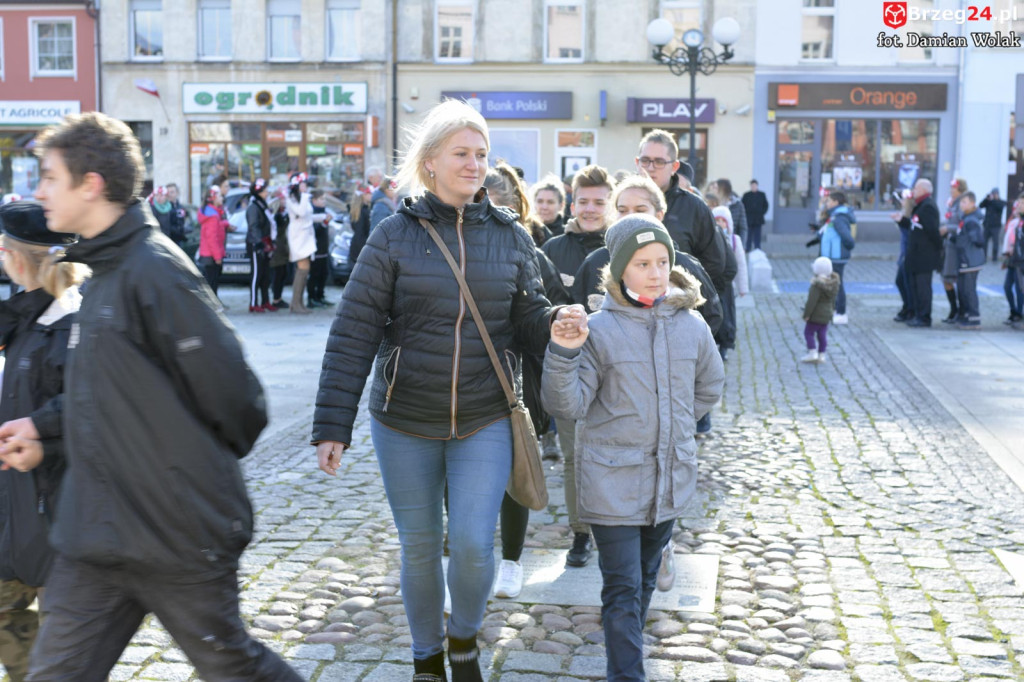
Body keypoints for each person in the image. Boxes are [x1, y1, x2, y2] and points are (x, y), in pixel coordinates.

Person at [0, 111, 301, 681]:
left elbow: (240, 403)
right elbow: (104, 396)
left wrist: (178, 478)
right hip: (93, 537)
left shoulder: (156, 272)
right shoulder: (104, 272)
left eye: (49, 177)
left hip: (173, 535)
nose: (38, 191)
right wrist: (43, 431)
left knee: (233, 665)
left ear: (90, 185)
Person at [312, 100, 584, 682]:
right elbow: (353, 332)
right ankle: (426, 656)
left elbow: (529, 316)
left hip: (484, 417)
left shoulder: (511, 238)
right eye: (462, 153)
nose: (474, 164)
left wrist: (556, 321)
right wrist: (332, 425)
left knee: (472, 545)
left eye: (481, 154)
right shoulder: (392, 237)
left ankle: (463, 637)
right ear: (430, 161)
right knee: (418, 547)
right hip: (403, 419)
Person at [542, 213, 724, 682]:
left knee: (644, 580)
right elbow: (568, 403)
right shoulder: (599, 329)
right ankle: (627, 674)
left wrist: (675, 427)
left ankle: (628, 657)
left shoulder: (692, 326)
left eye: (663, 261)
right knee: (622, 586)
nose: (656, 272)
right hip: (611, 482)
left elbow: (709, 386)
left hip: (668, 479)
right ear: (620, 268)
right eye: (644, 263)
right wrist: (564, 352)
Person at [0, 202, 86, 682]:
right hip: (15, 516)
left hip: (57, 522)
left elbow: (90, 415)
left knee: (62, 663)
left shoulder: (70, 323)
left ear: (13, 257)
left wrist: (39, 440)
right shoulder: (25, 315)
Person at [480, 162, 569, 600]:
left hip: (517, 378)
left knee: (516, 473)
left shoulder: (532, 254)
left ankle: (511, 561)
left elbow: (552, 313)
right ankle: (459, 554)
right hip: (464, 377)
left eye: (505, 208)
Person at [541, 164, 616, 569]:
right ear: (573, 202)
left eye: (599, 202)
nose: (590, 209)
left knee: (616, 456)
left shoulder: (624, 249)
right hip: (572, 372)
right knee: (574, 457)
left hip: (617, 374)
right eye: (583, 201)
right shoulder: (554, 249)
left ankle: (616, 531)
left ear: (610, 204)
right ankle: (580, 533)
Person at [635, 129, 728, 296]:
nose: (650, 168)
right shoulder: (622, 202)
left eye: (659, 162)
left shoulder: (695, 208)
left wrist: (685, 294)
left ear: (674, 166)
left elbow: (714, 264)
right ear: (637, 162)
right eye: (645, 160)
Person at [893, 179, 943, 328]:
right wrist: (902, 221)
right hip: (915, 255)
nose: (913, 191)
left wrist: (938, 250)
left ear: (923, 190)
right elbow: (915, 227)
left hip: (924, 256)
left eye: (916, 188)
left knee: (923, 288)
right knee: (913, 286)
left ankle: (924, 317)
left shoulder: (928, 207)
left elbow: (932, 232)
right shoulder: (920, 206)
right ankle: (916, 314)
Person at [712, 206, 748, 361]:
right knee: (714, 315)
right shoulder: (709, 240)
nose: (720, 223)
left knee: (727, 317)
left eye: (723, 221)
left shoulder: (734, 240)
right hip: (712, 284)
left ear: (728, 224)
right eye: (717, 220)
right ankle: (713, 345)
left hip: (727, 286)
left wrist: (743, 287)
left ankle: (724, 346)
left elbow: (741, 264)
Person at [816, 190, 855, 325]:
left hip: (836, 257)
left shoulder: (839, 217)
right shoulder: (833, 216)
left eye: (828, 201)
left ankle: (841, 312)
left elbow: (848, 238)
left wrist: (846, 249)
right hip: (831, 256)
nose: (826, 203)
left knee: (837, 284)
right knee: (831, 284)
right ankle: (833, 309)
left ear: (836, 202)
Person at [950, 191, 985, 329]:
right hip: (965, 260)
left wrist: (962, 240)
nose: (961, 205)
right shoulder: (965, 218)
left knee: (969, 290)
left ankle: (974, 318)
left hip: (970, 260)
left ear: (972, 203)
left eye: (964, 202)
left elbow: (978, 240)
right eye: (961, 202)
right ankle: (966, 315)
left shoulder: (971, 220)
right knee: (963, 290)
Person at [246, 178, 277, 313]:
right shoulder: (253, 207)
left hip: (265, 242)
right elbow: (254, 226)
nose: (267, 192)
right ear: (258, 192)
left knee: (265, 274)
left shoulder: (262, 205)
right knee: (256, 274)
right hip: (256, 244)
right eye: (265, 190)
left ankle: (265, 301)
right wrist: (259, 242)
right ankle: (253, 303)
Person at [197, 185, 234, 301]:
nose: (221, 198)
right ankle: (212, 309)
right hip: (211, 256)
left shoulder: (213, 214)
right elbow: (212, 238)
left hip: (208, 255)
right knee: (212, 284)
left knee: (212, 284)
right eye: (219, 196)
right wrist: (218, 256)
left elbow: (215, 227)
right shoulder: (212, 216)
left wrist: (225, 224)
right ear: (213, 198)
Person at [801, 257, 841, 363]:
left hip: (816, 315)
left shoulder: (816, 285)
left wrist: (806, 314)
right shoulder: (833, 284)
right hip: (827, 314)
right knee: (822, 335)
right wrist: (832, 311)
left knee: (808, 333)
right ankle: (821, 355)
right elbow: (834, 300)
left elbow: (811, 301)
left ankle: (812, 353)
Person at [285, 172, 315, 314]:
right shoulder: (292, 198)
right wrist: (304, 196)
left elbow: (308, 215)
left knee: (305, 269)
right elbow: (301, 212)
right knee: (302, 268)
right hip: (298, 238)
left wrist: (322, 217)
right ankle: (295, 303)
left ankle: (298, 302)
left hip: (306, 236)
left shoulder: (302, 198)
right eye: (303, 183)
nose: (306, 186)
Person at [941, 178, 968, 323]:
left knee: (953, 279)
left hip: (956, 248)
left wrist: (948, 229)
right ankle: (954, 310)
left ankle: (960, 311)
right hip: (949, 245)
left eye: (954, 189)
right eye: (951, 188)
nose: (951, 191)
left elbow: (962, 225)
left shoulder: (962, 205)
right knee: (946, 278)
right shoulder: (951, 204)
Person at [307, 189, 333, 308]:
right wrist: (324, 223)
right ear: (314, 200)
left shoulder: (323, 211)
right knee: (314, 275)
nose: (324, 201)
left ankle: (320, 296)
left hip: (323, 249)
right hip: (315, 250)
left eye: (324, 199)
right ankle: (312, 298)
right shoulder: (311, 212)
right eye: (321, 199)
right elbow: (313, 231)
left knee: (324, 274)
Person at [1000, 197, 1024, 324]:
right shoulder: (1017, 222)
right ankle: (1013, 311)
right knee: (1007, 286)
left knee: (1020, 288)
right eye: (1019, 203)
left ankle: (1019, 313)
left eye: (1022, 203)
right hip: (1013, 258)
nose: (1019, 205)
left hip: (1020, 261)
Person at [269, 193, 291, 308]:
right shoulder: (276, 215)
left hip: (283, 247)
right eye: (283, 199)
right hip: (277, 249)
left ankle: (278, 298)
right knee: (278, 274)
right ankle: (276, 299)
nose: (285, 201)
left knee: (283, 274)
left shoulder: (282, 213)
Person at [712, 178, 747, 247]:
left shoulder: (737, 204)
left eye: (716, 188)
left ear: (723, 189)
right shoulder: (712, 203)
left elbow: (743, 228)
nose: (714, 190)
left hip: (731, 244)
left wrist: (741, 246)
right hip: (714, 244)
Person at [741, 179, 769, 251]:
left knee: (757, 234)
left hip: (758, 218)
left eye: (755, 185)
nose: (753, 187)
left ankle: (757, 248)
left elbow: (766, 205)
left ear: (757, 186)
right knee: (749, 234)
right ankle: (748, 247)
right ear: (750, 186)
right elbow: (742, 205)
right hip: (749, 218)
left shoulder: (762, 195)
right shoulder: (746, 195)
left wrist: (762, 212)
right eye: (752, 185)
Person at [979, 188, 1006, 262]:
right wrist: (986, 199)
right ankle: (983, 257)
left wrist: (993, 200)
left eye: (995, 194)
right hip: (987, 225)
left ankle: (995, 258)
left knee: (995, 242)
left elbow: (999, 207)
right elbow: (980, 205)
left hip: (996, 226)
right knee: (984, 242)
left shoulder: (1001, 202)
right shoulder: (988, 202)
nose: (993, 195)